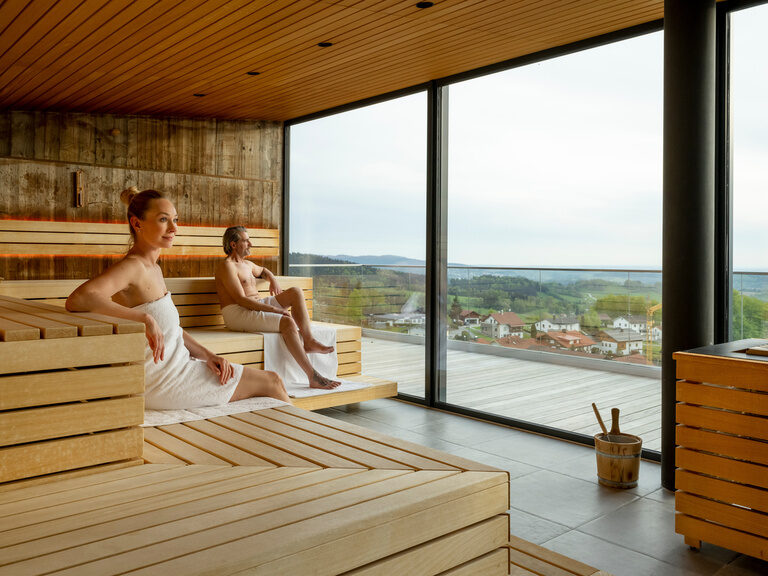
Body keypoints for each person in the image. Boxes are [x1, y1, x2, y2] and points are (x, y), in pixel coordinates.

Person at [66, 188, 289, 409]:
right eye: (164, 220)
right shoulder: (132, 266)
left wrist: (208, 355)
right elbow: (79, 298)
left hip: (178, 366)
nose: (174, 228)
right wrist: (144, 319)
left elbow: (171, 330)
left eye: (175, 219)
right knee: (272, 382)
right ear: (137, 224)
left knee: (268, 389)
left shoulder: (153, 268)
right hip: (164, 380)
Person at [215, 226, 341, 390]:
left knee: (295, 292)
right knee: (287, 323)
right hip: (238, 312)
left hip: (255, 306)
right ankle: (313, 376)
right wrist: (276, 310)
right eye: (246, 240)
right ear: (233, 244)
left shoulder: (247, 264)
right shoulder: (227, 267)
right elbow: (241, 300)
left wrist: (273, 279)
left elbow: (264, 271)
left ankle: (309, 341)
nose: (250, 243)